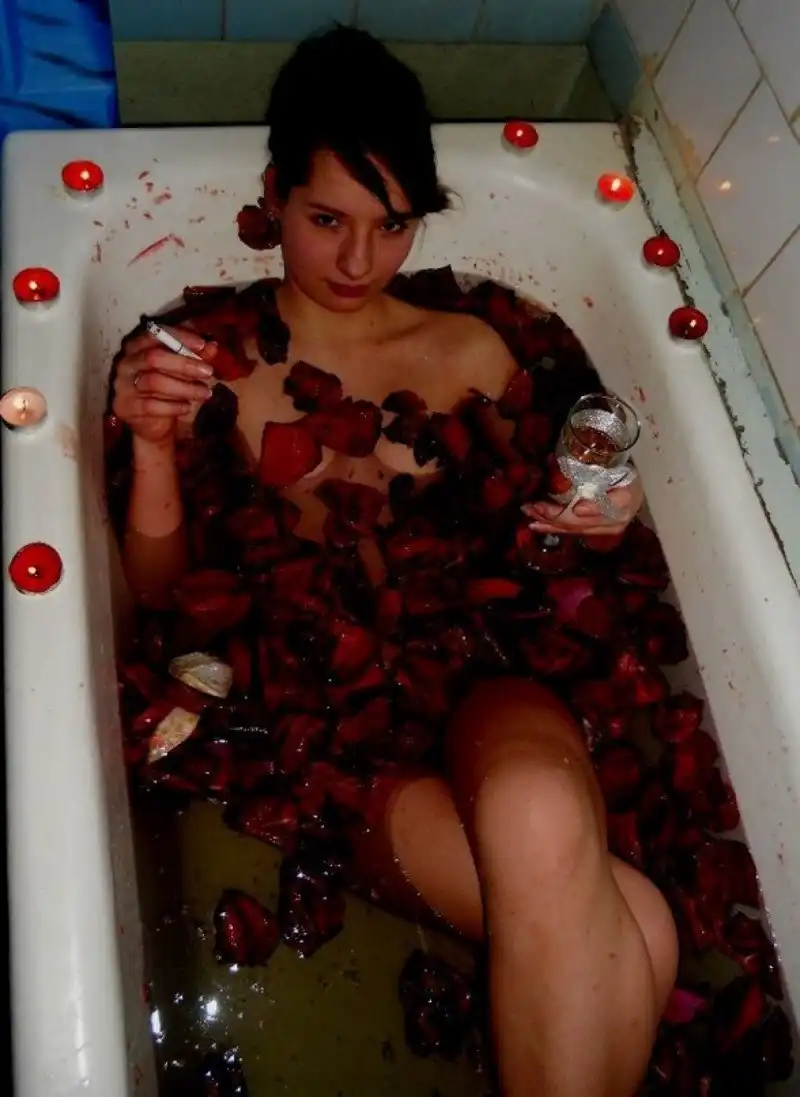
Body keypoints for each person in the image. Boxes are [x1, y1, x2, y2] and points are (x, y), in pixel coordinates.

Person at [110, 26, 677, 1097]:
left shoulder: (471, 349)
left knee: (543, 814)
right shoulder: (206, 360)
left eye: (392, 225)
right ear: (272, 198)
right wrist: (148, 445)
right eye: (326, 219)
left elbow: (551, 516)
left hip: (487, 668)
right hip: (323, 723)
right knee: (636, 917)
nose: (358, 262)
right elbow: (157, 593)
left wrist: (602, 515)